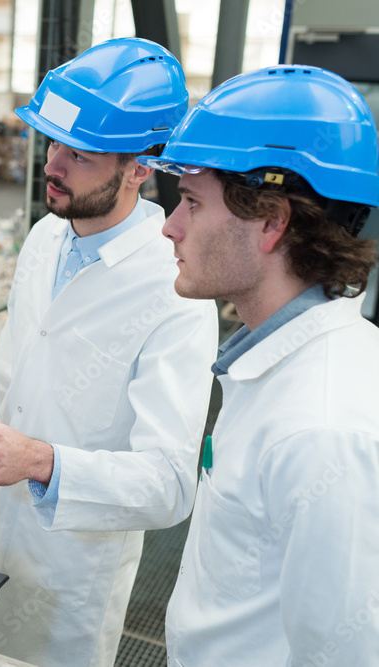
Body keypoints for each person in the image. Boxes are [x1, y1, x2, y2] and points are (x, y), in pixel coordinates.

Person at [0, 38, 219, 666]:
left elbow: (171, 485)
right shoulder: (45, 237)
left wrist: (40, 461)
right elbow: (4, 383)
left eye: (81, 154)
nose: (52, 165)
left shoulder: (176, 288)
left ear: (142, 167)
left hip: (70, 578)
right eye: (52, 142)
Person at [139, 64, 379, 666]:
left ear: (271, 222)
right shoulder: (276, 366)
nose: (170, 226)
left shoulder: (323, 427)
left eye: (191, 202)